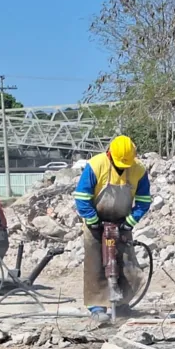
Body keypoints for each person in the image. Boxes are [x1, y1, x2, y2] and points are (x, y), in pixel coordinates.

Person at [73, 135, 152, 325]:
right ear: (109, 154)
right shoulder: (96, 165)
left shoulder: (138, 170)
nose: (123, 168)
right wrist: (93, 221)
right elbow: (82, 197)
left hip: (122, 220)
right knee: (96, 264)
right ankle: (97, 307)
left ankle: (122, 303)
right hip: (95, 221)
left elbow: (143, 201)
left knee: (127, 263)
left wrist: (129, 222)